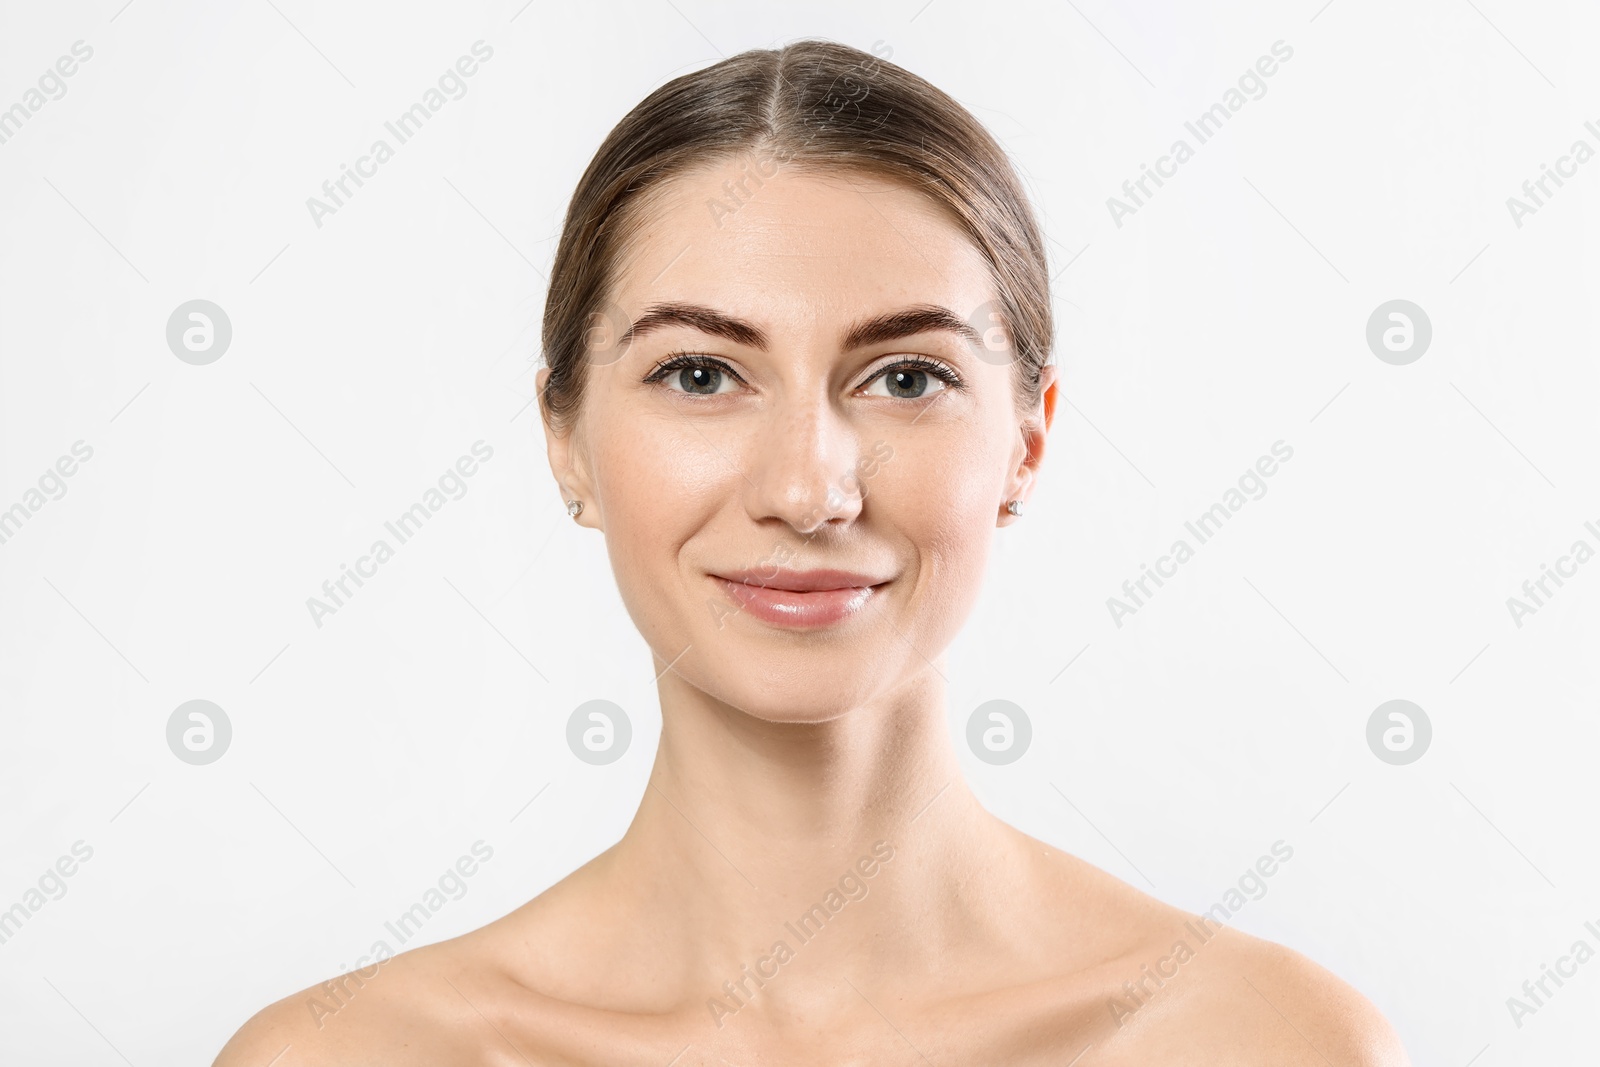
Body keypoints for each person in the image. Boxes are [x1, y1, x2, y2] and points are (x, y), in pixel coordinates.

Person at [215, 38, 1410, 1065]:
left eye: (906, 377)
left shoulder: (1258, 1039)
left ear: (1026, 447)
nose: (806, 488)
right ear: (565, 436)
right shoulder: (348, 1054)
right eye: (699, 373)